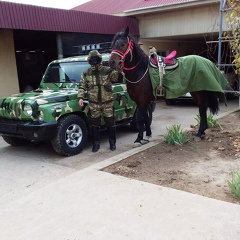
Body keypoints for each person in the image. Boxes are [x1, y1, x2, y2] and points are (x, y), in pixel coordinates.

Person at [78, 50, 118, 152]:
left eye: (97, 60)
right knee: (95, 123)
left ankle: (112, 143)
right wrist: (80, 97)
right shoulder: (86, 73)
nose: (95, 62)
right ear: (89, 61)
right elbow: (82, 86)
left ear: (100, 60)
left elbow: (116, 78)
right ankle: (96, 144)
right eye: (92, 61)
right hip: (94, 103)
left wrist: (114, 67)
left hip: (107, 102)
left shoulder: (107, 70)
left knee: (110, 122)